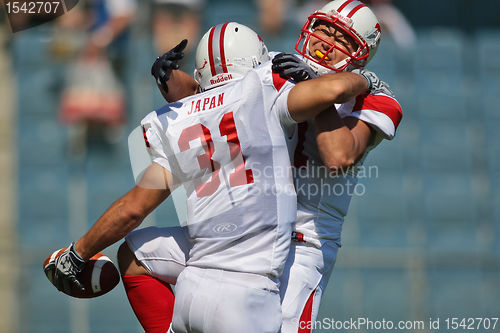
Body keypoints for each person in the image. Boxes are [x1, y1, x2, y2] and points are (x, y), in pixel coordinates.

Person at [45, 22, 372, 333]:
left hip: (192, 288)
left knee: (135, 251)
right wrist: (365, 81)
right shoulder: (264, 94)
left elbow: (133, 208)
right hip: (247, 294)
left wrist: (77, 253)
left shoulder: (184, 118)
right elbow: (333, 89)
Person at [118, 1, 402, 332]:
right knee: (137, 255)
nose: (326, 41)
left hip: (301, 241)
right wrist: (168, 78)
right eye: (323, 29)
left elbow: (338, 156)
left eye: (343, 39)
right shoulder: (279, 65)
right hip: (243, 229)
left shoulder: (375, 99)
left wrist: (319, 91)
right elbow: (213, 99)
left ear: (361, 54)